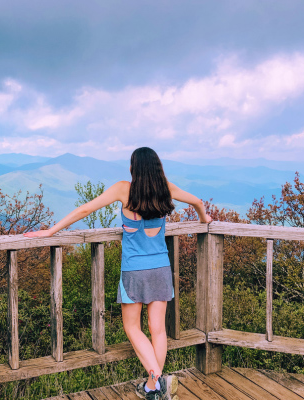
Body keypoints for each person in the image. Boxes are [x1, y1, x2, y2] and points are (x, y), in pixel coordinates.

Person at [24, 147, 211, 400]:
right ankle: (152, 387)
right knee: (158, 330)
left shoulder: (124, 189)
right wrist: (204, 220)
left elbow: (85, 210)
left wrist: (50, 231)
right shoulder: (165, 188)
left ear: (133, 167)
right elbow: (198, 202)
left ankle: (157, 379)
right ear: (157, 167)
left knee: (132, 327)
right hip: (161, 269)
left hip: (134, 271)